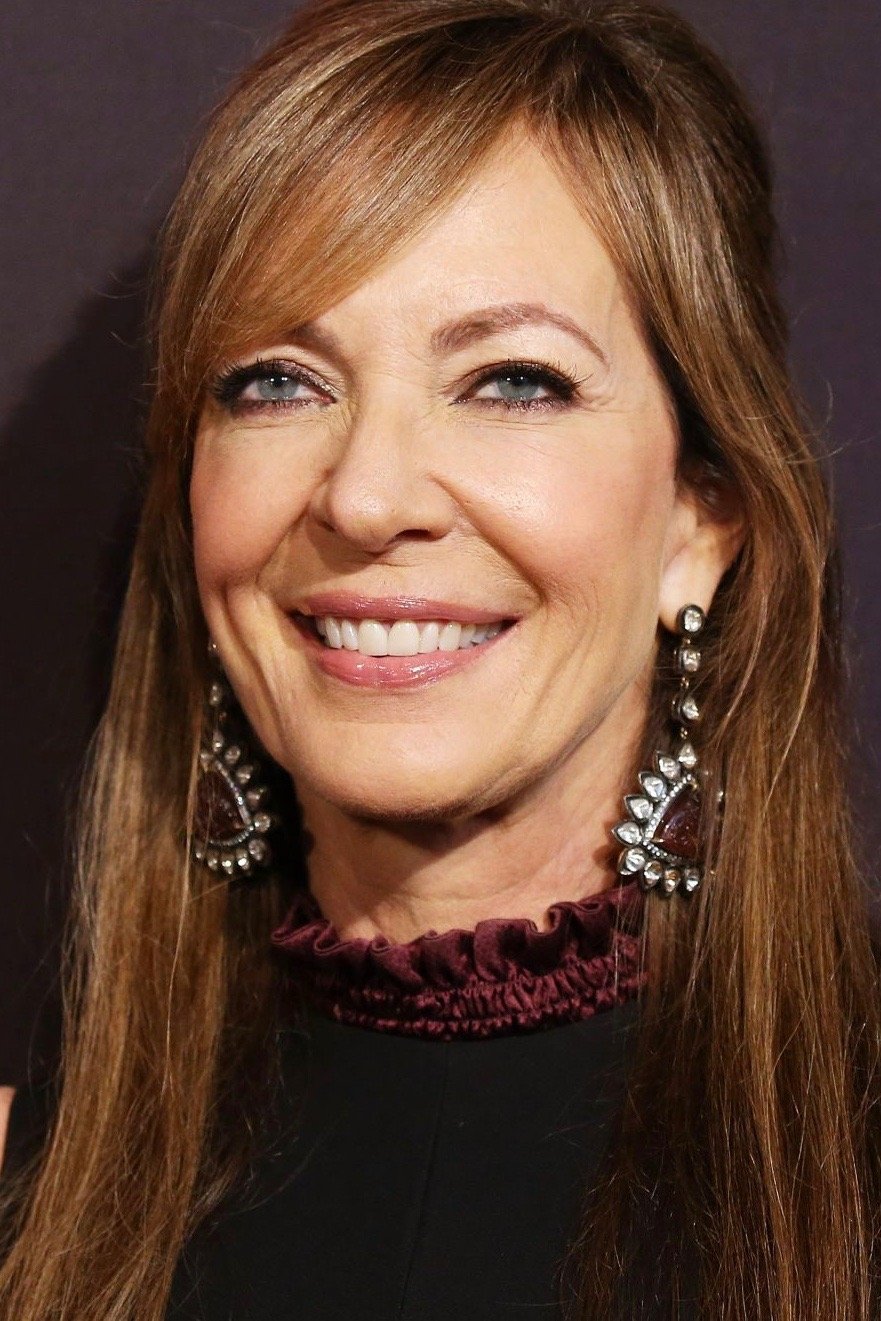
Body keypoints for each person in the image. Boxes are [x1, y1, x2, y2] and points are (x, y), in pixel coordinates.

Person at [2, 0, 880, 1316]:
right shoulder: (36, 1192)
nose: (366, 495)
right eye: (276, 380)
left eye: (514, 380)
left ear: (701, 521)